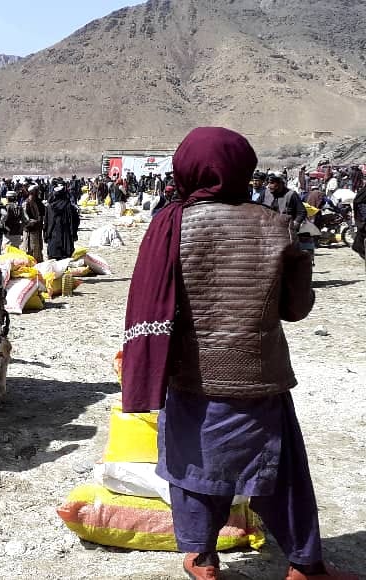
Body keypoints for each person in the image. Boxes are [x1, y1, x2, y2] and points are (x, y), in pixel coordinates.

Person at [122, 127, 357, 580]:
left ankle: (203, 558)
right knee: (279, 469)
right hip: (259, 373)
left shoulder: (171, 224)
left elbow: (154, 303)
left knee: (192, 460)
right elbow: (296, 309)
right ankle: (305, 566)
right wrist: (301, 260)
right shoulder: (277, 225)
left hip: (192, 373)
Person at [44, 184, 80, 260]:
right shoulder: (69, 206)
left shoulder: (49, 207)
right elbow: (75, 220)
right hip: (66, 238)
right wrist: (74, 233)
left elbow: (46, 223)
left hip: (53, 237)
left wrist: (46, 235)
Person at [21, 185, 45, 262]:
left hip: (37, 229)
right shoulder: (26, 203)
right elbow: (25, 219)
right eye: (37, 191)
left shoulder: (38, 202)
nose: (39, 193)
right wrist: (34, 222)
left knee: (38, 249)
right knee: (31, 249)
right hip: (30, 231)